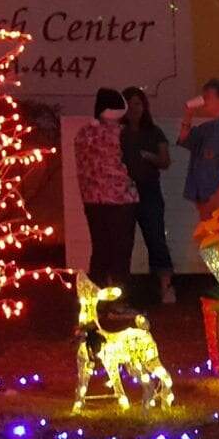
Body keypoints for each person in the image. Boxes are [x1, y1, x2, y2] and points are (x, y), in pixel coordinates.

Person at [74, 88, 139, 297]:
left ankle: (93, 301)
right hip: (121, 200)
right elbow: (135, 165)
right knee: (121, 252)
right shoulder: (123, 133)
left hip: (92, 199)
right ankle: (119, 300)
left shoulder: (83, 133)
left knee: (100, 249)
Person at [122, 86, 176, 305]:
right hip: (122, 193)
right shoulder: (117, 132)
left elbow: (165, 161)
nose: (134, 108)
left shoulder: (154, 132)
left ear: (144, 106)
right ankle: (119, 290)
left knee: (156, 238)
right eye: (129, 104)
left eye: (138, 103)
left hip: (149, 191)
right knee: (122, 242)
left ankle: (166, 286)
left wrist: (149, 156)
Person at [178, 78, 219, 213]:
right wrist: (188, 116)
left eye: (208, 96)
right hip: (205, 197)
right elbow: (185, 139)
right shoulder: (207, 128)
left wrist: (217, 199)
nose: (204, 100)